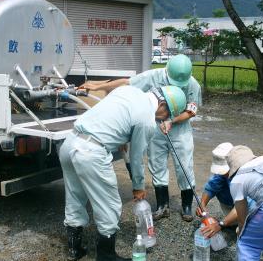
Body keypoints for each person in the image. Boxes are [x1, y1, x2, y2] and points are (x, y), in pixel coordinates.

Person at [58, 85, 186, 261]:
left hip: (70, 142)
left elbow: (114, 116)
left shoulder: (129, 90)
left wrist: (121, 137)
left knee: (75, 196)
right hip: (91, 152)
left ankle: (75, 249)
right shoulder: (147, 119)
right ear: (162, 104)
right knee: (109, 205)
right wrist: (138, 187)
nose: (163, 119)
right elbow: (137, 157)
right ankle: (106, 256)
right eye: (167, 114)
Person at [81, 54, 202, 222]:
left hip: (180, 129)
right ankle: (162, 205)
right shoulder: (154, 75)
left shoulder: (193, 84)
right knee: (156, 164)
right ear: (167, 72)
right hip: (155, 126)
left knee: (184, 166)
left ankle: (187, 205)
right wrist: (98, 85)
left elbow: (191, 110)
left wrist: (171, 121)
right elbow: (127, 83)